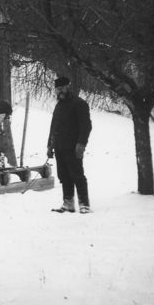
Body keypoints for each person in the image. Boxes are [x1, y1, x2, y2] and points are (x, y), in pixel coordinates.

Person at [47, 76, 92, 213]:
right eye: (57, 89)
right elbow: (53, 127)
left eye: (62, 88)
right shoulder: (59, 106)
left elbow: (86, 126)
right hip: (59, 147)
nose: (59, 91)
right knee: (64, 176)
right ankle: (68, 203)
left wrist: (81, 144)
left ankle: (84, 204)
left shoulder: (79, 104)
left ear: (68, 87)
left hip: (73, 147)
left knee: (77, 175)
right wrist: (49, 145)